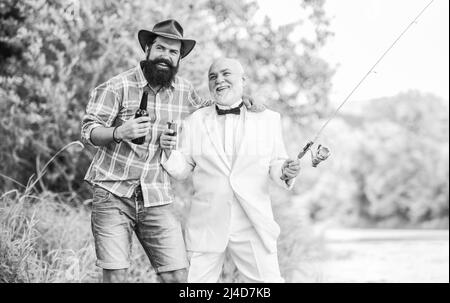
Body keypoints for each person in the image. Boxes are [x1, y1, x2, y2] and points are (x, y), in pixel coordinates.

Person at [81, 20, 260, 283]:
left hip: (156, 195)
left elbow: (208, 108)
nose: (166, 56)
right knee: (116, 275)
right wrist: (119, 132)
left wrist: (240, 98)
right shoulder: (117, 86)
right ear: (148, 50)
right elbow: (89, 130)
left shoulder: (183, 91)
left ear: (179, 58)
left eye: (173, 52)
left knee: (178, 275)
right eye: (161, 48)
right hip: (112, 193)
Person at [160, 58, 301, 283]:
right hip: (206, 221)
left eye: (226, 74)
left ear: (243, 80)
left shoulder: (269, 119)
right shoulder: (195, 120)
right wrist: (168, 152)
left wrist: (286, 171)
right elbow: (183, 169)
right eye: (213, 76)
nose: (219, 80)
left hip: (253, 220)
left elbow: (276, 163)